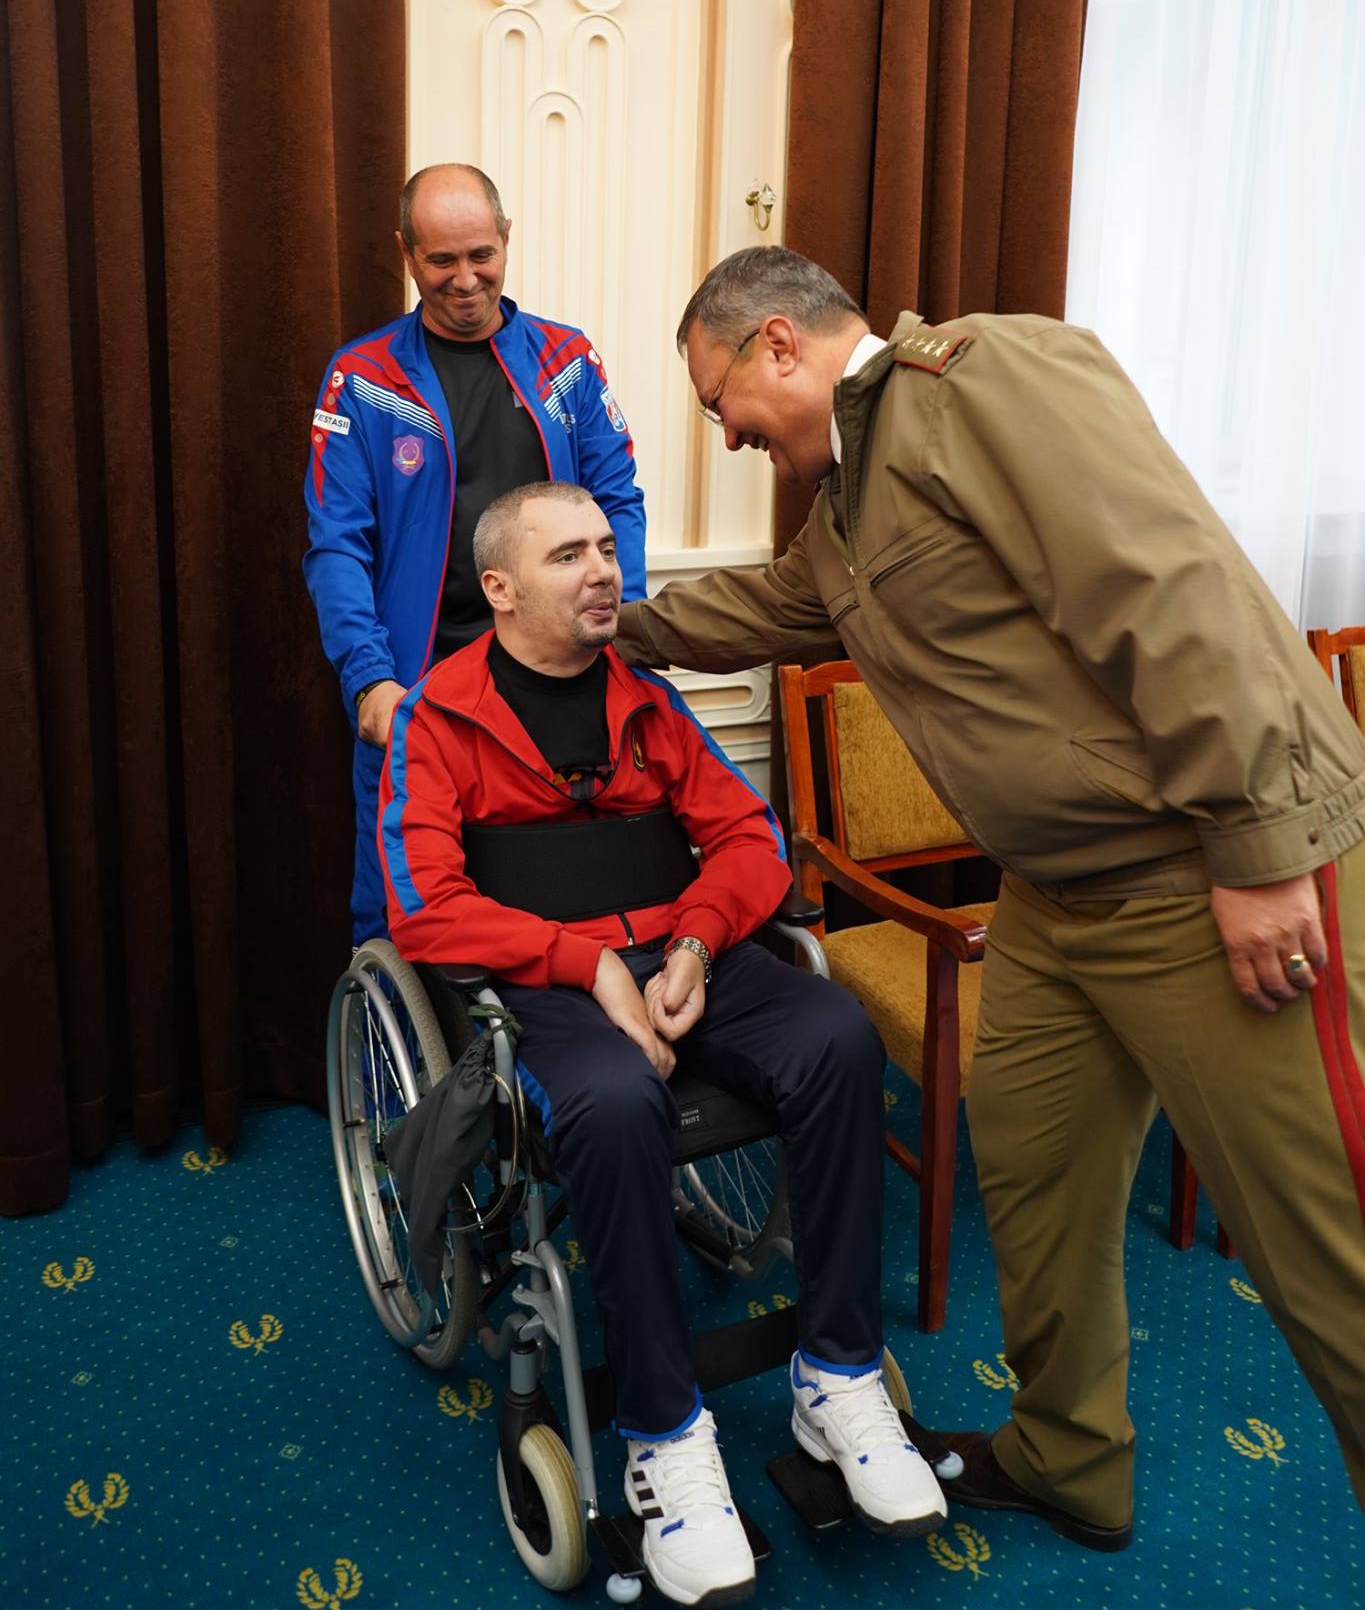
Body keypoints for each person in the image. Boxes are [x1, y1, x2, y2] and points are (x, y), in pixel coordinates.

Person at [612, 244, 1365, 1547]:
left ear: (778, 340)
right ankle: (1069, 1457)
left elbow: (1168, 583)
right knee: (1031, 1167)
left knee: (1324, 1240)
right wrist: (602, 626)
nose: (727, 437)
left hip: (1203, 877)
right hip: (1053, 904)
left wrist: (1255, 843)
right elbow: (768, 606)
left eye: (719, 401)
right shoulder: (844, 511)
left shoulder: (981, 380)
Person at [378, 481, 948, 1606]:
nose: (603, 569)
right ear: (500, 588)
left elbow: (748, 839)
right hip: (547, 981)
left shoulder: (645, 696)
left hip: (684, 952)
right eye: (567, 555)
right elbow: (423, 907)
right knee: (614, 1103)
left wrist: (692, 941)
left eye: (605, 547)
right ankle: (663, 1434)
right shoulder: (438, 720)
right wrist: (585, 962)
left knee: (838, 1036)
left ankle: (836, 1375)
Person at [304, 163, 646, 943]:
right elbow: (336, 546)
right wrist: (370, 681)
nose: (464, 280)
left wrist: (619, 623)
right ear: (405, 253)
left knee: (558, 892)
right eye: (441, 260)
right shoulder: (363, 379)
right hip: (418, 691)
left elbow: (617, 500)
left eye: (481, 255)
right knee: (403, 908)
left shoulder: (566, 361)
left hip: (556, 679)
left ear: (506, 239)